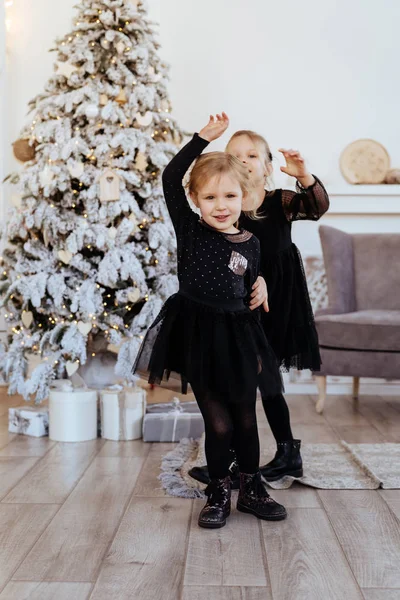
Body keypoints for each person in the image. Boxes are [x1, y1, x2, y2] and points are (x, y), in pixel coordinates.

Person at [133, 114, 286, 528]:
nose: (221, 206)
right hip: (197, 336)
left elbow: (249, 279)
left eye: (230, 197)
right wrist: (201, 139)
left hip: (240, 337)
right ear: (197, 200)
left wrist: (263, 286)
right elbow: (169, 178)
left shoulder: (251, 243)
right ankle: (218, 489)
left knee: (245, 419)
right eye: (211, 198)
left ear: (245, 196)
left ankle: (252, 488)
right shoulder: (190, 230)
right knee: (217, 423)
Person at [189, 126, 330, 486]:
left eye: (252, 155)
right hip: (241, 300)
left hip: (279, 298)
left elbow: (315, 207)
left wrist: (303, 176)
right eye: (235, 155)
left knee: (266, 376)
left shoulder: (279, 200)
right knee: (240, 379)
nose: (243, 161)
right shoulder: (227, 205)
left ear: (267, 166)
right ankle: (234, 456)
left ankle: (286, 451)